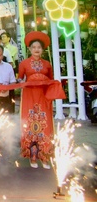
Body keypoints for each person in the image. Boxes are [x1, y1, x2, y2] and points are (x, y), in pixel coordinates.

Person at [19, 31, 65, 169]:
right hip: (29, 96)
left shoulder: (47, 64)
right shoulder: (24, 64)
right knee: (30, 123)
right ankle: (32, 156)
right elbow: (20, 79)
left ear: (43, 49)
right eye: (34, 47)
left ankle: (45, 156)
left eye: (39, 47)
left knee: (45, 125)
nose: (36, 50)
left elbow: (50, 80)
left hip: (43, 97)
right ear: (29, 49)